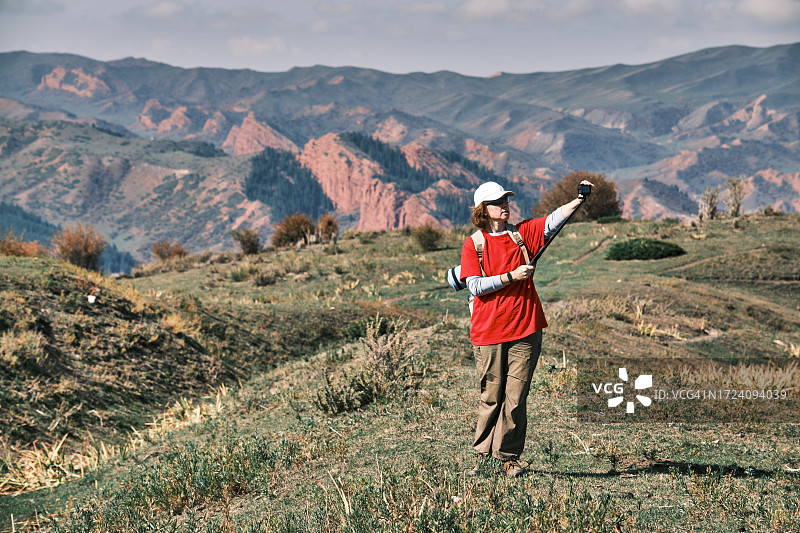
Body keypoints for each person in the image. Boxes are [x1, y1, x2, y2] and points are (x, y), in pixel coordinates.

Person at [460, 180, 592, 478]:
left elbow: (553, 221)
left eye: (506, 199)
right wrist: (512, 276)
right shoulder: (474, 244)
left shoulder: (522, 234)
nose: (504, 205)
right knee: (491, 396)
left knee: (516, 397)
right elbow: (476, 286)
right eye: (497, 202)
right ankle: (482, 457)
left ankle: (509, 457)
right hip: (489, 331)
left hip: (526, 329)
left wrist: (579, 200)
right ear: (483, 210)